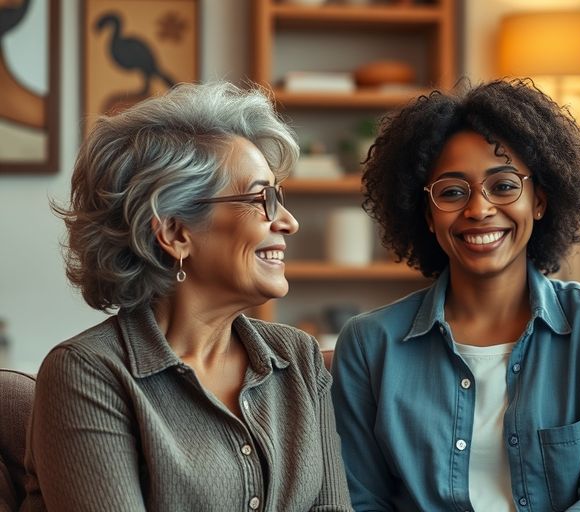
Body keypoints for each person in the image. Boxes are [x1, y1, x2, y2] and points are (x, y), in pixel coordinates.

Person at [22, 82, 353, 511]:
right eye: (262, 199)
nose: (288, 222)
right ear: (176, 232)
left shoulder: (298, 359)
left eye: (279, 197)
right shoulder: (87, 373)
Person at [331, 79, 580, 511]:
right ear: (427, 215)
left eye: (503, 186)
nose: (479, 209)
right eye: (452, 192)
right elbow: (361, 501)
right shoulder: (369, 344)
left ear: (539, 200)